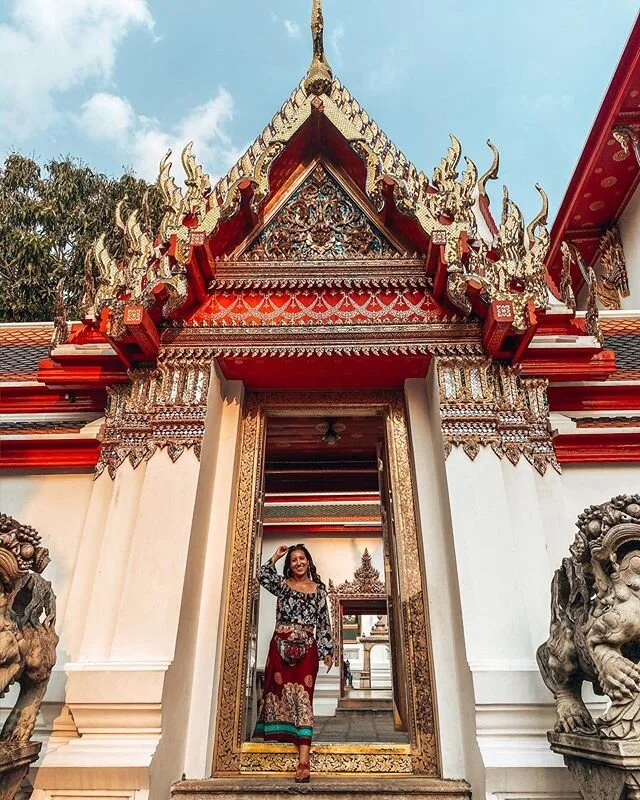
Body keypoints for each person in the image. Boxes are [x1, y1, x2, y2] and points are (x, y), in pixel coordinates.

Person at [254, 543, 333, 783]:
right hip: (279, 648)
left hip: (307, 650)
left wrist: (327, 650)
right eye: (294, 559)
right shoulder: (282, 585)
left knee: (303, 700)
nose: (298, 563)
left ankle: (303, 761)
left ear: (308, 561)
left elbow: (324, 622)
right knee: (279, 697)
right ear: (290, 564)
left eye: (302, 558)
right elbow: (262, 575)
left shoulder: (319, 590)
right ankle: (282, 750)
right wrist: (276, 556)